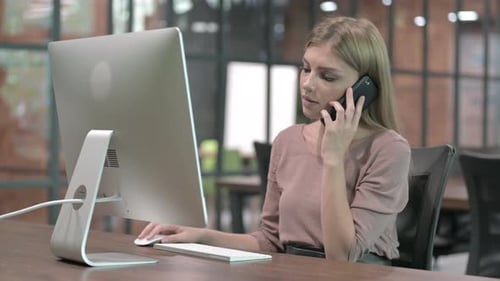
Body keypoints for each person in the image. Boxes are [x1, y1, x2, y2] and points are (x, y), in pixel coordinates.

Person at [138, 16, 411, 264]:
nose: (307, 84)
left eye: (327, 76)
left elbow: (341, 255)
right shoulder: (288, 140)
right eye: (306, 69)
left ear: (366, 88)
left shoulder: (389, 149)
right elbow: (269, 240)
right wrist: (200, 236)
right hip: (291, 270)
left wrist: (333, 158)